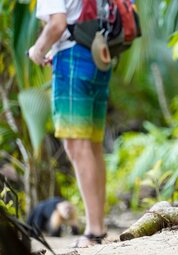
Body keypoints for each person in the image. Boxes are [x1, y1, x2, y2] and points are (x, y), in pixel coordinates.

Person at [28, 0, 110, 248]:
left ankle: (95, 229)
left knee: (77, 146)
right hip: (99, 55)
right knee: (93, 144)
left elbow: (57, 24)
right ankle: (99, 226)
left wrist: (37, 50)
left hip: (73, 57)